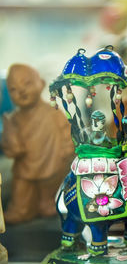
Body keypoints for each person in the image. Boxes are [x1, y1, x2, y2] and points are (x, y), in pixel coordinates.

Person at [1, 64, 74, 224]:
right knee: (21, 197)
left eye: (27, 83)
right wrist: (10, 134)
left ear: (41, 83)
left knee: (48, 199)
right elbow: (12, 150)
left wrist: (67, 150)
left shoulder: (54, 113)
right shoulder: (13, 120)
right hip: (24, 168)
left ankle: (47, 204)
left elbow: (67, 133)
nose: (21, 91)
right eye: (13, 89)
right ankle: (21, 210)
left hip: (51, 165)